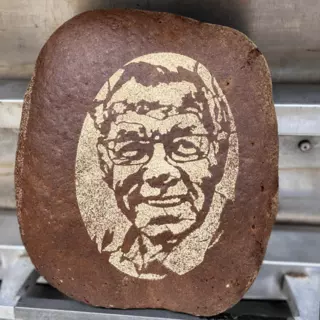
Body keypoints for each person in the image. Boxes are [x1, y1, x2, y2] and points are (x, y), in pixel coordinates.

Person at [76, 53, 239, 280]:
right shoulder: (113, 256)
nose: (159, 171)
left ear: (217, 156)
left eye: (185, 144)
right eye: (132, 148)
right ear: (105, 163)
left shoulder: (233, 249)